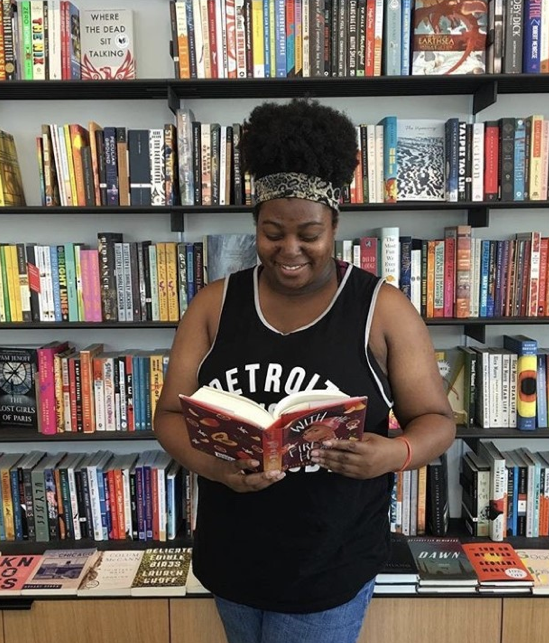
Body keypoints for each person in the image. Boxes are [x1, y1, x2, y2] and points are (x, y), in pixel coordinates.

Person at [153, 98, 456, 643]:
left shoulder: (382, 308)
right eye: (273, 232)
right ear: (255, 224)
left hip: (330, 561)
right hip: (233, 555)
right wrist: (218, 469)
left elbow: (436, 419)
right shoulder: (214, 304)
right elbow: (170, 416)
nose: (289, 249)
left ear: (335, 224)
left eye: (309, 233)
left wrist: (392, 453)